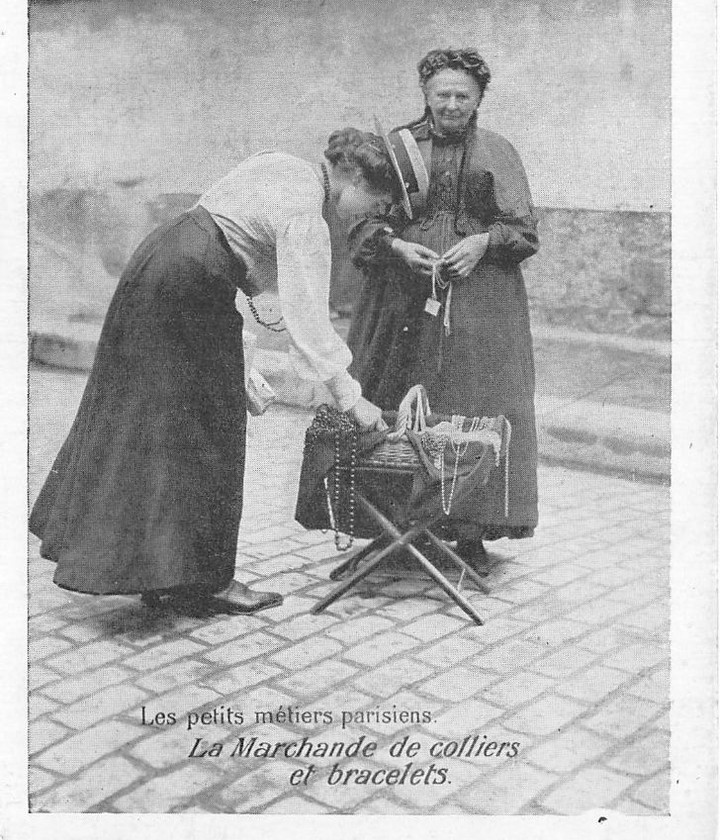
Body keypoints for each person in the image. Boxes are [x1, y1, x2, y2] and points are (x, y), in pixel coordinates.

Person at [30, 129, 399, 616]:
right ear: (350, 176)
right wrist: (352, 399)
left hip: (160, 262)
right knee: (213, 427)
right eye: (373, 202)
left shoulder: (282, 164)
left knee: (153, 420)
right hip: (189, 284)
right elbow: (308, 322)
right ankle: (207, 581)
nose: (367, 215)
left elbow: (233, 251)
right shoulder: (306, 214)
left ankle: (163, 573)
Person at [347, 48, 539, 575]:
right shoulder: (397, 151)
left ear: (478, 98)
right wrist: (395, 246)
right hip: (402, 297)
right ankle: (388, 526)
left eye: (463, 95)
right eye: (442, 94)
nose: (452, 104)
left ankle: (469, 531)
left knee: (473, 397)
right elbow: (359, 222)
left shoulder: (498, 151)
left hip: (480, 302)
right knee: (394, 393)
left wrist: (482, 242)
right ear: (425, 95)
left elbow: (525, 231)